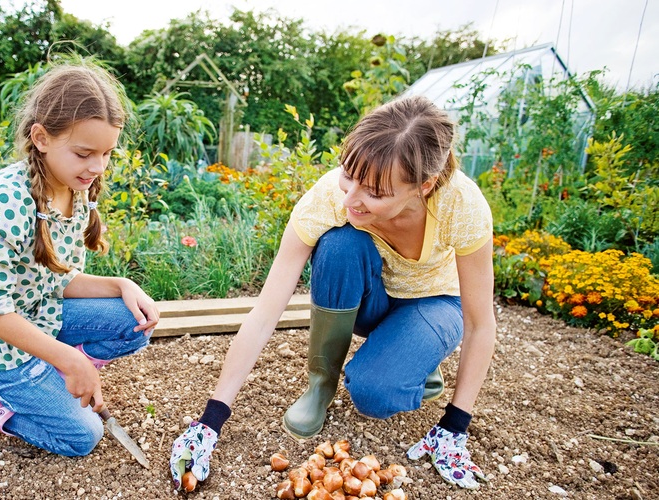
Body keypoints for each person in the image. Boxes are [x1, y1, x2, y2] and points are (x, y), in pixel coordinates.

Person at [170, 95, 495, 489]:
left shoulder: (461, 205)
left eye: (373, 191)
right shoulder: (331, 198)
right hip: (373, 300)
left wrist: (455, 425)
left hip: (434, 302)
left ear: (423, 187)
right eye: (347, 174)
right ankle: (320, 385)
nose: (349, 197)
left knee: (374, 394)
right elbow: (265, 311)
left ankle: (415, 353)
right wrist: (211, 419)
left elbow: (480, 324)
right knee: (340, 243)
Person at [0, 63, 159, 456]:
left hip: (36, 315)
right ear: (41, 138)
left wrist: (121, 286)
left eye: (107, 153)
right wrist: (69, 360)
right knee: (81, 437)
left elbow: (55, 280)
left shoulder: (76, 188)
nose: (97, 167)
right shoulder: (4, 203)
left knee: (135, 323)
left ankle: (49, 374)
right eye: (84, 153)